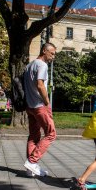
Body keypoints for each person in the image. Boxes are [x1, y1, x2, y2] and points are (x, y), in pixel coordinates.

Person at [23, 43, 57, 177]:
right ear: (44, 51)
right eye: (52, 53)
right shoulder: (42, 65)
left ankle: (30, 168)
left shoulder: (29, 65)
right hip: (39, 105)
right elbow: (40, 84)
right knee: (51, 134)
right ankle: (32, 161)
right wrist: (47, 101)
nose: (53, 57)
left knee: (34, 136)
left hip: (29, 106)